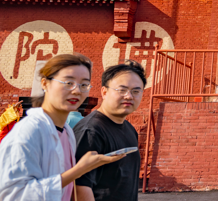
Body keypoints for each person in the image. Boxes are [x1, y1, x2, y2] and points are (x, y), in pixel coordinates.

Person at [0, 54, 127, 201]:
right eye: (68, 83)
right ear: (45, 83)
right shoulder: (29, 131)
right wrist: (79, 170)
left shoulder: (66, 132)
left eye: (84, 85)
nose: (77, 91)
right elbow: (14, 195)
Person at [74, 60, 147, 201]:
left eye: (136, 91)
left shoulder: (129, 128)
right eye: (122, 90)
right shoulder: (91, 130)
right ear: (104, 92)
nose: (129, 96)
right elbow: (79, 186)